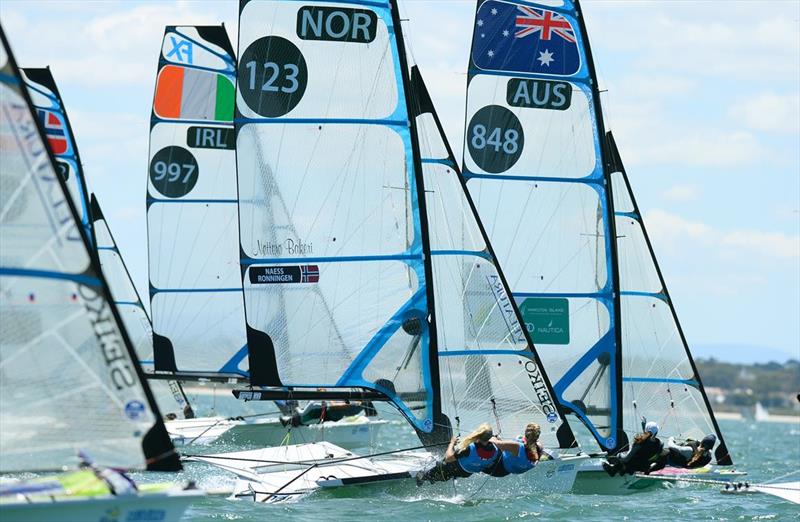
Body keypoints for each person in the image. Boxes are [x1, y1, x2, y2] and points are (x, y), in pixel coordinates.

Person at [416, 423, 501, 484]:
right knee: (449, 471)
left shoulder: (470, 448)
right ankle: (440, 477)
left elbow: (448, 458)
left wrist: (451, 443)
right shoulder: (496, 450)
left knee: (443, 464)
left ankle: (424, 477)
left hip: (456, 468)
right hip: (467, 473)